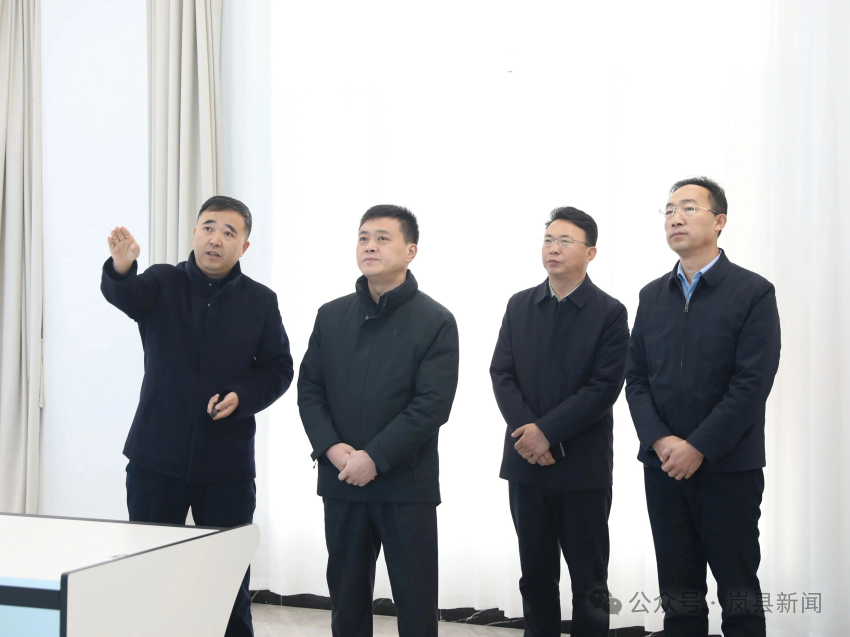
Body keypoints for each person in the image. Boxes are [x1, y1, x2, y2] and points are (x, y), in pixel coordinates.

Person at [101, 195, 294, 637]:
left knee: (227, 578)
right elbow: (125, 295)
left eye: (229, 232)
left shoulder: (260, 301)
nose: (216, 239)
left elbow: (279, 368)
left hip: (226, 464)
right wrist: (122, 266)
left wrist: (242, 397)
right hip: (155, 458)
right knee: (150, 571)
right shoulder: (161, 281)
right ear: (194, 233)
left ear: (244, 246)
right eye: (208, 227)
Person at [626, 177, 781, 637]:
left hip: (727, 467)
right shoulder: (652, 295)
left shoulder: (753, 292)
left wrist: (697, 446)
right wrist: (661, 441)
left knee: (739, 595)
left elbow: (751, 383)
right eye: (669, 210)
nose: (675, 218)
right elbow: (637, 379)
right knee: (679, 598)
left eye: (689, 208)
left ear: (719, 221)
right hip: (664, 469)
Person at [298, 204, 459, 637]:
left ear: (411, 251)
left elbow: (432, 405)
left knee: (416, 602)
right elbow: (310, 388)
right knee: (346, 600)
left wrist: (374, 457)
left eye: (382, 238)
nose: (369, 246)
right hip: (342, 479)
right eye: (363, 238)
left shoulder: (436, 320)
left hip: (406, 483)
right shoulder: (331, 315)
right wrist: (332, 449)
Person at [490, 207, 629, 637]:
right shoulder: (520, 304)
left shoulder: (609, 312)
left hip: (582, 468)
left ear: (590, 253)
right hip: (526, 463)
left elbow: (604, 387)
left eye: (565, 241)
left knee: (590, 580)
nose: (553, 248)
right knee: (535, 575)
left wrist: (547, 433)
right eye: (548, 239)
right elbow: (502, 374)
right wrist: (529, 435)